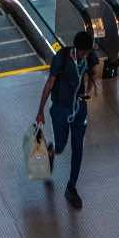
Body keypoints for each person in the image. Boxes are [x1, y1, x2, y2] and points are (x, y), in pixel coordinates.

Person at [35, 29, 98, 208]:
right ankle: (51, 152)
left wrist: (88, 88)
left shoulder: (89, 56)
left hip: (79, 108)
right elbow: (50, 83)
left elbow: (94, 71)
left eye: (88, 51)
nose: (85, 54)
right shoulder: (61, 58)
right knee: (61, 146)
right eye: (83, 51)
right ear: (76, 48)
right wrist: (40, 110)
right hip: (60, 108)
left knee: (78, 147)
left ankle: (71, 188)